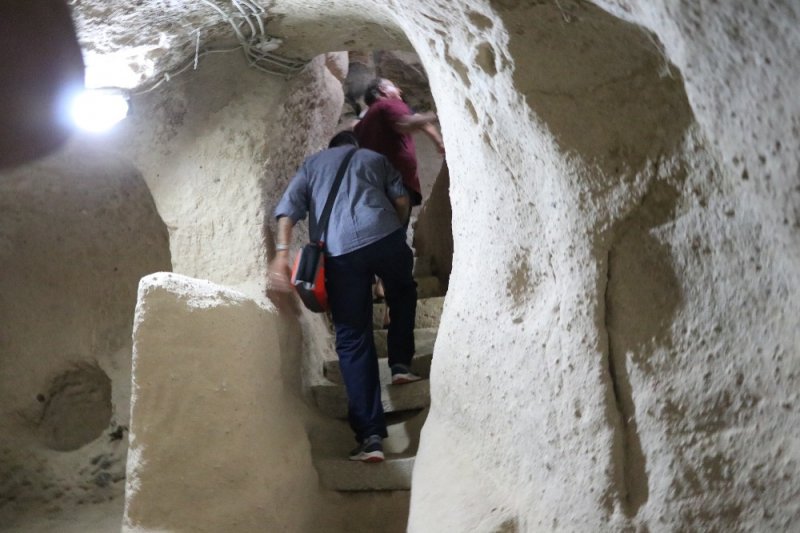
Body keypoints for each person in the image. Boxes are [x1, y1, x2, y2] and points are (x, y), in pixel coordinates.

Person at [267, 131, 421, 463]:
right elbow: (400, 199)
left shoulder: (312, 165)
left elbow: (287, 211)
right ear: (353, 146)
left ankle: (371, 437)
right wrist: (397, 230)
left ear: (332, 148)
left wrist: (282, 255)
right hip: (384, 236)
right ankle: (400, 364)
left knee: (352, 336)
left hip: (340, 254)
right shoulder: (374, 158)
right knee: (403, 292)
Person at [354, 78, 444, 221]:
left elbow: (418, 120)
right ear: (383, 90)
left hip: (371, 185)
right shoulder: (389, 104)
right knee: (395, 230)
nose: (399, 90)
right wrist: (439, 114)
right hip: (395, 181)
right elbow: (405, 123)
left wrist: (438, 142)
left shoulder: (363, 122)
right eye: (394, 86)